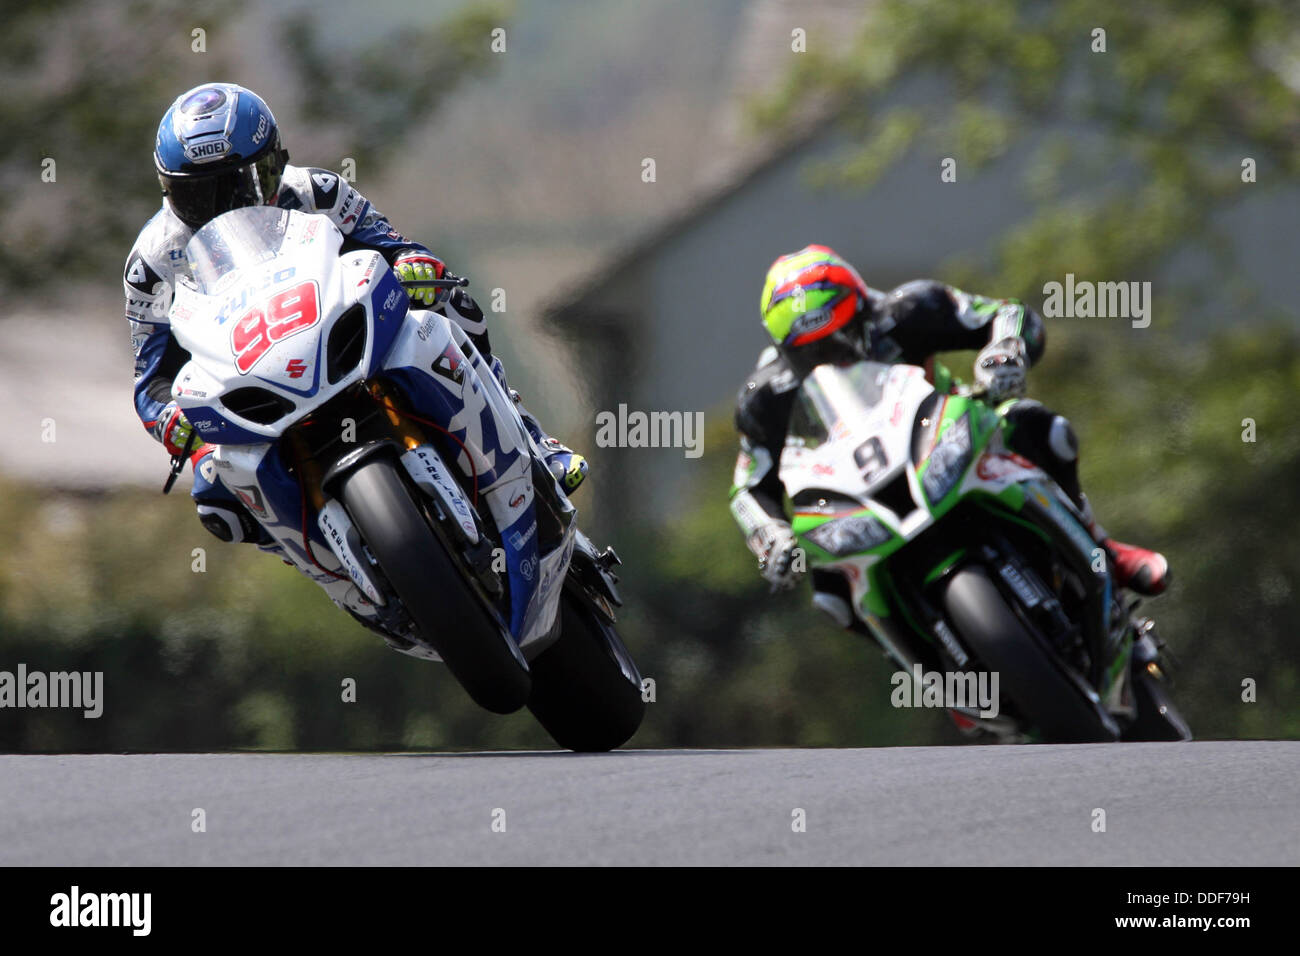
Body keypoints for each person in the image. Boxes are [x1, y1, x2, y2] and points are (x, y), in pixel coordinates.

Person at [126, 82, 586, 548]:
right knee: (215, 494)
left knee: (449, 305)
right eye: (196, 196)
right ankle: (327, 566)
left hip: (341, 335)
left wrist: (415, 266)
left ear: (273, 166)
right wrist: (169, 418)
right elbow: (150, 377)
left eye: (236, 186)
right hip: (248, 382)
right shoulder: (152, 262)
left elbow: (395, 246)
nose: (220, 207)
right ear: (168, 189)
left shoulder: (317, 191)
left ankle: (531, 440)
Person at [728, 244, 1169, 601]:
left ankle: (1104, 551)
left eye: (841, 340)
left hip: (944, 437)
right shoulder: (765, 397)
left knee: (1036, 426)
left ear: (863, 309)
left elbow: (1006, 315)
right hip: (857, 490)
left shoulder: (911, 310)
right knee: (829, 589)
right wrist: (768, 534)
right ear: (786, 351)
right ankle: (932, 679)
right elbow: (749, 486)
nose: (832, 359)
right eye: (811, 354)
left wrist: (1004, 352)